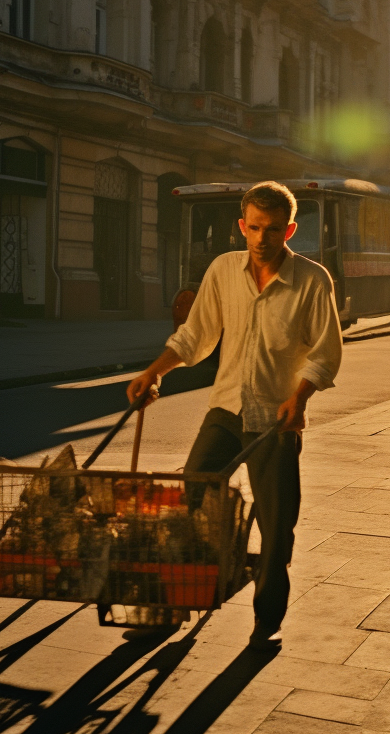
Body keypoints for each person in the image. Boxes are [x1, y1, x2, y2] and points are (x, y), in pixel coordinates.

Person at [126, 180, 342, 651]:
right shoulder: (223, 269)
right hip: (224, 410)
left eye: (273, 229)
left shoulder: (312, 280)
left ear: (290, 230)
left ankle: (267, 622)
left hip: (275, 421)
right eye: (254, 227)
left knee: (276, 526)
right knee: (188, 506)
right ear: (242, 226)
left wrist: (299, 398)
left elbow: (325, 353)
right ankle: (169, 608)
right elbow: (195, 335)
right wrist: (154, 372)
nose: (262, 238)